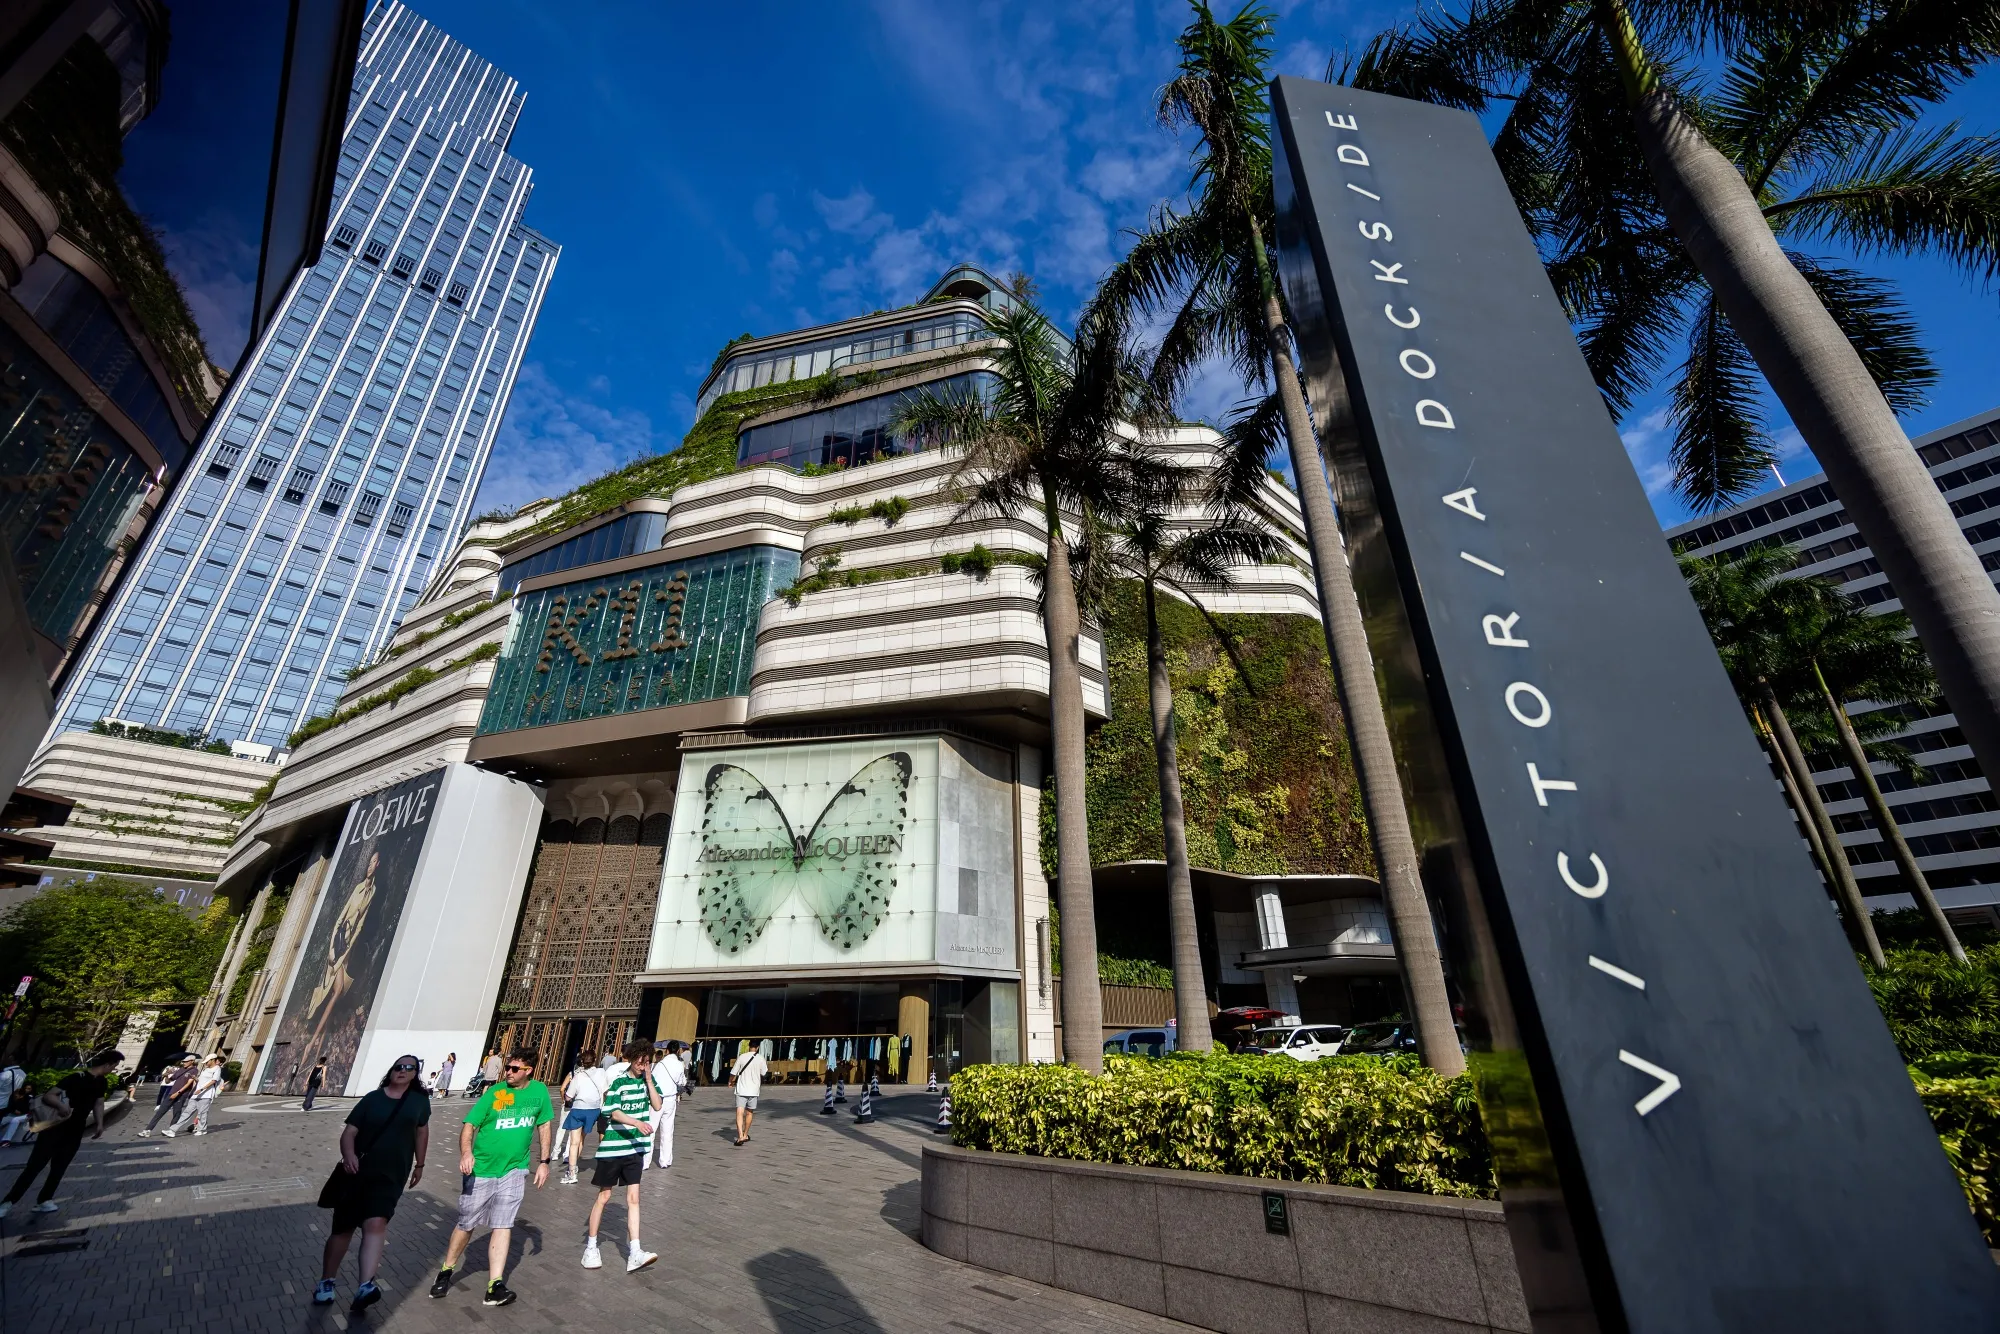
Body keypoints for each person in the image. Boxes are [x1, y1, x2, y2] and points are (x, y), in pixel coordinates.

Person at [429, 1049, 553, 1308]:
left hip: (514, 1169)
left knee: (503, 1224)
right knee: (466, 1224)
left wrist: (544, 1162)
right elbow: (469, 1125)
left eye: (514, 1068)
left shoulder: (539, 1092)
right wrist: (466, 1153)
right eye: (507, 1067)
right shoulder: (494, 1094)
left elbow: (544, 1125)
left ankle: (494, 1285)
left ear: (529, 1070)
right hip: (482, 1169)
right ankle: (446, 1270)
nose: (508, 1072)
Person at [314, 1054, 431, 1311]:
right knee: (343, 1229)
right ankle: (326, 1281)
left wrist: (420, 1165)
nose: (402, 1071)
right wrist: (349, 1155)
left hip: (392, 1175)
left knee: (376, 1222)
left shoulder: (419, 1102)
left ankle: (365, 1285)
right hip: (358, 1172)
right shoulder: (373, 1099)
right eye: (398, 1067)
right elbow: (350, 1132)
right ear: (391, 1071)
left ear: (415, 1074)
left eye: (408, 1068)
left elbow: (421, 1131)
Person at [0, 1049, 120, 1219]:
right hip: (55, 1128)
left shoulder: (102, 1082)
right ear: (108, 1064)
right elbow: (50, 1095)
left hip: (76, 1130)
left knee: (60, 1167)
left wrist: (100, 1124)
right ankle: (8, 1202)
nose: (114, 1069)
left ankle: (44, 1200)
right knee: (35, 1166)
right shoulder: (76, 1077)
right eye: (114, 1065)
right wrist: (62, 1106)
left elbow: (99, 1103)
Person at [583, 1039, 659, 1273]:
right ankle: (591, 1246)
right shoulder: (619, 1082)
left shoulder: (648, 1081)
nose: (642, 1065)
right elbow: (612, 1112)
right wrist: (636, 1121)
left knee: (633, 1199)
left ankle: (635, 1251)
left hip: (635, 1148)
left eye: (647, 1062)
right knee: (604, 1196)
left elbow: (657, 1105)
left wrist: (648, 1080)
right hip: (614, 1149)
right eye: (639, 1060)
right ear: (631, 1057)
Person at [557, 1056, 610, 1185]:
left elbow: (569, 1096)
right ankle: (574, 1166)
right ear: (594, 1061)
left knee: (574, 1142)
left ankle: (572, 1172)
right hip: (594, 1110)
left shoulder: (578, 1076)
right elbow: (606, 1090)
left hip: (578, 1110)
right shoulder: (601, 1072)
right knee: (581, 1139)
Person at [651, 1040, 688, 1168]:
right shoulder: (679, 1065)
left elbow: (652, 1080)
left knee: (651, 1130)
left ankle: (645, 1161)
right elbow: (682, 1082)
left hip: (657, 1099)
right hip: (671, 1100)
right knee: (667, 1131)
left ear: (667, 1050)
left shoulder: (660, 1064)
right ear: (678, 1050)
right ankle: (665, 1161)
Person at [138, 1057, 198, 1136]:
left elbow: (189, 1084)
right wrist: (167, 1075)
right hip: (172, 1092)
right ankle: (148, 1130)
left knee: (176, 1113)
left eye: (186, 1061)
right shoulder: (180, 1070)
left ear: (192, 1061)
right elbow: (169, 1081)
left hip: (182, 1094)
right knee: (160, 1111)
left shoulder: (194, 1070)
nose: (184, 1063)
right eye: (183, 1061)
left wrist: (178, 1092)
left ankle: (171, 1130)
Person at [168, 1055, 225, 1136]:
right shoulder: (206, 1069)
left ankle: (202, 1130)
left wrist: (201, 1089)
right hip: (196, 1095)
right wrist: (195, 1078)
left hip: (206, 1095)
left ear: (212, 1060)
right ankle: (172, 1130)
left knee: (202, 1113)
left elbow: (214, 1081)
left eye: (207, 1062)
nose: (206, 1063)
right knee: (187, 1112)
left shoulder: (217, 1069)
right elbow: (201, 1081)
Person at [730, 1042, 769, 1147]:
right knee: (749, 1113)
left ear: (749, 1046)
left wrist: (730, 1081)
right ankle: (745, 1134)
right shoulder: (761, 1058)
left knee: (739, 1112)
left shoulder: (742, 1057)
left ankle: (740, 1136)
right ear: (758, 1048)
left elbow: (733, 1072)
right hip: (754, 1089)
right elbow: (764, 1072)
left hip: (741, 1089)